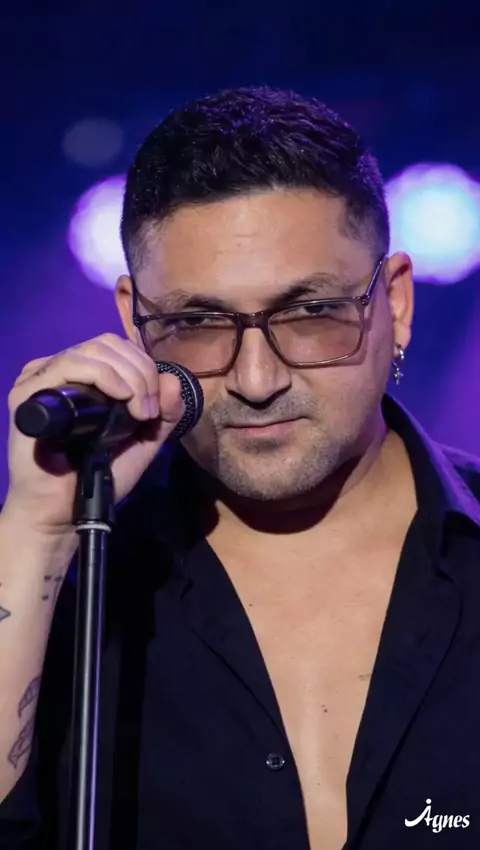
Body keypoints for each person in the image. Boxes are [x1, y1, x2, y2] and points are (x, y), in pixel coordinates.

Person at [0, 85, 479, 850]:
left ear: (395, 303)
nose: (256, 380)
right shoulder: (72, 579)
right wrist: (37, 532)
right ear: (133, 322)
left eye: (310, 311)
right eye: (198, 321)